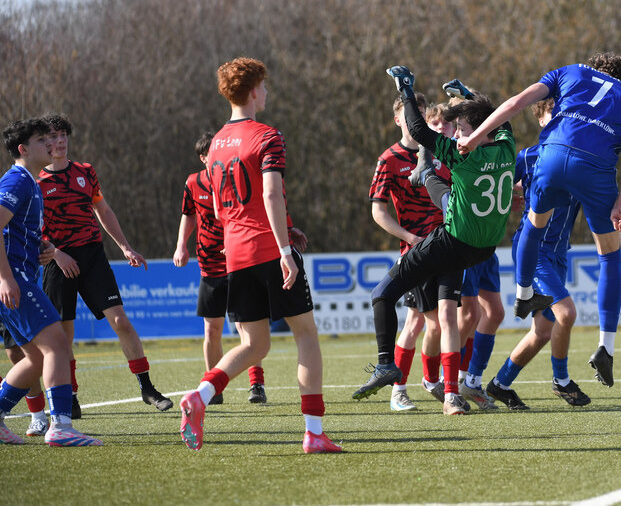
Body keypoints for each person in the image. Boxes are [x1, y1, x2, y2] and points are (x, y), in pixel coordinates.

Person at [177, 57, 341, 453]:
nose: (266, 92)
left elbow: (217, 210)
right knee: (306, 335)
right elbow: (268, 193)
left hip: (234, 253)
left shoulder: (215, 143)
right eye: (264, 86)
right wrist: (284, 247)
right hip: (269, 248)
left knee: (254, 346)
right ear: (253, 91)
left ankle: (201, 394)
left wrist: (279, 226)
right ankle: (314, 433)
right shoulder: (268, 135)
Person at [457, 53, 621, 388]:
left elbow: (514, 102)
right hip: (596, 170)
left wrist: (472, 138)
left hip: (553, 154)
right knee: (610, 257)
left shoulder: (570, 72)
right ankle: (606, 346)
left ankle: (523, 293)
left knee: (533, 223)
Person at [353, 66, 515, 416]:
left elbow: (416, 129)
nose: (457, 135)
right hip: (480, 247)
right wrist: (468, 94)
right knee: (446, 318)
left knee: (381, 294)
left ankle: (386, 365)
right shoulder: (506, 147)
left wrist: (406, 90)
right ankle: (450, 393)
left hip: (451, 241)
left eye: (461, 129)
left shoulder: (462, 154)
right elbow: (498, 119)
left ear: (477, 132)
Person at [37, 113, 172, 416]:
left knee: (120, 322)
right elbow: (33, 227)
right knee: (63, 335)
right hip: (58, 261)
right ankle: (69, 397)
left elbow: (104, 210)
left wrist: (126, 247)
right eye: (52, 137)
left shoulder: (85, 171)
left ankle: (147, 388)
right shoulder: (36, 181)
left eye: (63, 136)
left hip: (93, 256)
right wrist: (56, 253)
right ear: (43, 143)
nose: (59, 142)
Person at [173, 130, 300, 404]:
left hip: (239, 261)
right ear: (202, 157)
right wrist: (180, 245)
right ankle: (212, 390)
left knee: (248, 331)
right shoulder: (193, 183)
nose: (213, 157)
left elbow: (265, 204)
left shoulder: (232, 177)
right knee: (212, 330)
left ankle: (256, 386)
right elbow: (188, 215)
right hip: (209, 266)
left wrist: (288, 229)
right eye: (208, 153)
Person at [0, 118, 100, 446]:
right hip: (15, 280)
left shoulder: (29, 183)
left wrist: (41, 249)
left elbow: (13, 231)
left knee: (37, 357)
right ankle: (60, 426)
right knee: (57, 343)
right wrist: (6, 278)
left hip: (21, 274)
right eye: (42, 140)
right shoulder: (19, 181)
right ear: (23, 149)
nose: (50, 144)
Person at [487, 99, 590, 410]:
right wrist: (512, 195)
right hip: (534, 251)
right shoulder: (529, 157)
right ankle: (561, 381)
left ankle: (500, 384)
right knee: (567, 314)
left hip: (560, 254)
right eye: (553, 115)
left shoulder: (583, 159)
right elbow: (499, 184)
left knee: (543, 331)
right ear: (542, 120)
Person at [368, 94, 448, 411]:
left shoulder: (440, 152)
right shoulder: (389, 159)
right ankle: (400, 389)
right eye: (408, 114)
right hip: (417, 253)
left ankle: (428, 381)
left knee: (438, 322)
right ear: (398, 119)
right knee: (420, 323)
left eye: (420, 114)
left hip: (447, 249)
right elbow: (378, 211)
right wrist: (408, 237)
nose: (415, 120)